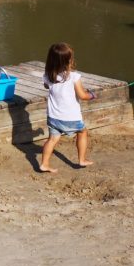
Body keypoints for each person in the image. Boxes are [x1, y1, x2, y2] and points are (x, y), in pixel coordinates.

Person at [38, 42, 96, 173]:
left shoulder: (47, 76)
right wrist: (92, 95)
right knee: (82, 132)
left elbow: (47, 86)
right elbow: (82, 95)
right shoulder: (74, 77)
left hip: (53, 117)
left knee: (52, 139)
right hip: (70, 117)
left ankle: (44, 164)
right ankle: (81, 160)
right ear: (68, 61)